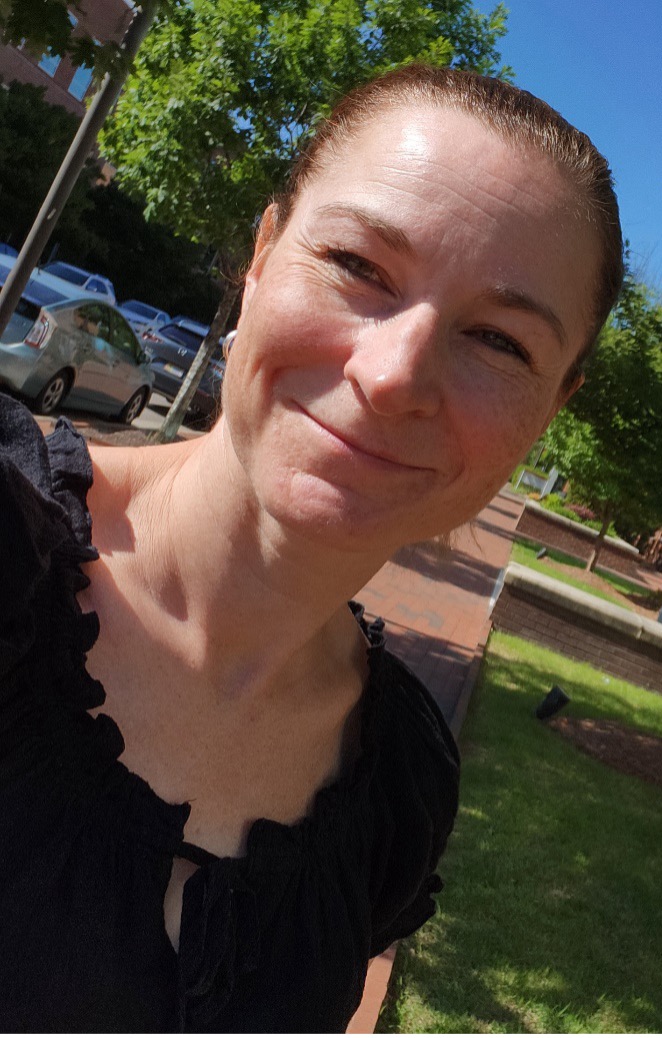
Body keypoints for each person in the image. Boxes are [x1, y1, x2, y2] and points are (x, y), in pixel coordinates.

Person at [0, 64, 622, 1029]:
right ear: (261, 255)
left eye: (499, 341)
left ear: (553, 406)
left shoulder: (396, 788)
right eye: (360, 266)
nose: (393, 376)